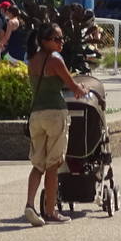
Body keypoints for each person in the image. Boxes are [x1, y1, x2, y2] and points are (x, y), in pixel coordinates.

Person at [23, 23, 88, 225]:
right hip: (55, 114)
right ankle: (50, 212)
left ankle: (30, 204)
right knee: (53, 165)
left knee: (38, 164)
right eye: (57, 39)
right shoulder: (55, 59)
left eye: (62, 38)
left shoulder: (32, 59)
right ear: (45, 41)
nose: (61, 43)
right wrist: (82, 89)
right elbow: (72, 85)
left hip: (36, 115)